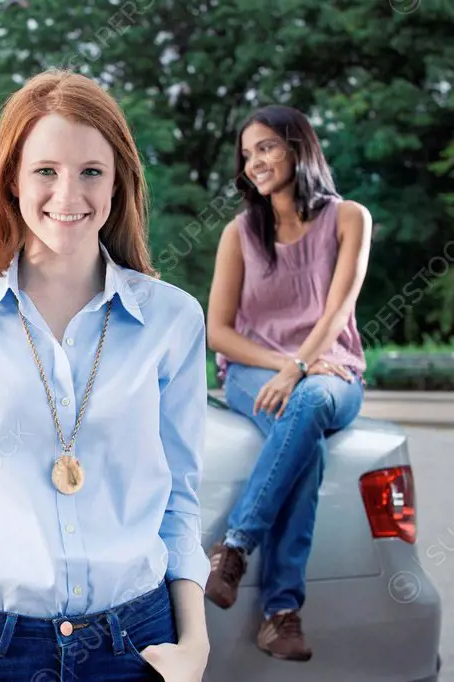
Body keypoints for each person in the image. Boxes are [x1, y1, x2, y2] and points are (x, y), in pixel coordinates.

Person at [0, 69, 211, 681]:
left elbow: (179, 497)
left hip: (140, 648)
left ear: (120, 181)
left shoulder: (174, 320)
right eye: (45, 171)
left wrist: (196, 646)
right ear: (12, 181)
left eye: (91, 172)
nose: (68, 194)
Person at [204, 105, 372, 661]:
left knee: (310, 404)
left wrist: (301, 363)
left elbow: (338, 307)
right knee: (308, 444)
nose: (255, 162)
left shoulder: (350, 218)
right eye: (248, 153)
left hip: (332, 369)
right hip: (254, 372)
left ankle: (234, 545)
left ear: (299, 148)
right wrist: (285, 363)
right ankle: (280, 614)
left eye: (267, 147)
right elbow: (218, 332)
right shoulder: (240, 233)